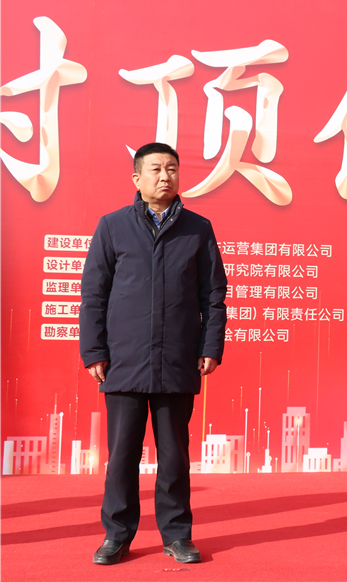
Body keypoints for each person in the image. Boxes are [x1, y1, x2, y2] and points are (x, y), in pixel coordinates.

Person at [79, 142, 227, 565]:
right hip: (123, 360)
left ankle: (177, 535)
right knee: (122, 457)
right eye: (157, 169)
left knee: (174, 457)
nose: (165, 176)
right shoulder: (113, 226)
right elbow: (93, 294)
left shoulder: (198, 228)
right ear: (137, 178)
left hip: (177, 358)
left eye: (172, 169)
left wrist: (210, 347)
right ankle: (117, 535)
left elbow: (213, 295)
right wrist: (94, 350)